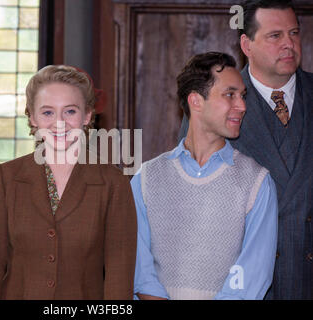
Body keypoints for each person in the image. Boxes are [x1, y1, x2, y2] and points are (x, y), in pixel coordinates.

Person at [179, 0, 313, 299]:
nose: (289, 44)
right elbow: (191, 206)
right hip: (241, 285)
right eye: (275, 36)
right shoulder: (213, 106)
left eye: (294, 33)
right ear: (246, 44)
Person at [0, 65, 137, 300]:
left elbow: (119, 278)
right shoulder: (7, 178)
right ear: (32, 117)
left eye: (70, 111)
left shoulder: (113, 183)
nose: (59, 123)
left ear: (87, 115)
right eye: (48, 112)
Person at [134, 52, 278, 300]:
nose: (242, 106)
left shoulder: (258, 182)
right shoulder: (146, 178)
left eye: (243, 96)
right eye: (230, 95)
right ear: (196, 101)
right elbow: (140, 271)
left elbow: (251, 278)